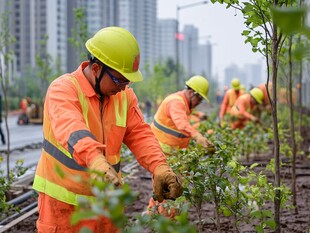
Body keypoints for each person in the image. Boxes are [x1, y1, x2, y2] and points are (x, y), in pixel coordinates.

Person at [32, 26, 183, 233]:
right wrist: (95, 161)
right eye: (119, 79)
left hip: (106, 205)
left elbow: (140, 134)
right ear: (96, 70)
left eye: (127, 80)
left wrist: (160, 167)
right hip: (64, 208)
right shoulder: (63, 89)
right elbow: (72, 129)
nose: (123, 86)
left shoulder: (124, 97)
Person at [146, 75, 215, 218]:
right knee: (171, 191)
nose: (198, 103)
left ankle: (153, 218)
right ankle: (167, 223)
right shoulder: (176, 102)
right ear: (192, 93)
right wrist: (197, 136)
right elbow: (181, 123)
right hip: (162, 155)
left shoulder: (182, 102)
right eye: (199, 99)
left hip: (171, 156)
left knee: (162, 190)